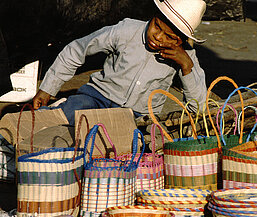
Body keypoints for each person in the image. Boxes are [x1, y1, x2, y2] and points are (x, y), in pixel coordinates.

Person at [32, 0, 208, 125]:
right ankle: (14, 138)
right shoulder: (126, 30)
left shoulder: (186, 56)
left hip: (137, 116)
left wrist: (186, 66)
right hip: (96, 98)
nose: (158, 37)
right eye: (157, 26)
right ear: (154, 16)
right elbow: (78, 49)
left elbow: (197, 110)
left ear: (182, 40)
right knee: (70, 114)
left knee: (125, 144)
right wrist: (48, 88)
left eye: (169, 37)